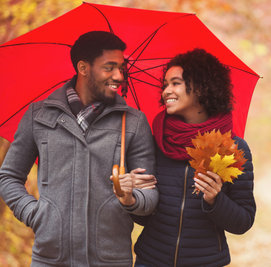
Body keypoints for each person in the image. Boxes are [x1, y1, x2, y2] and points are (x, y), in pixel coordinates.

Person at [0, 31, 158, 266]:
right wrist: (36, 215)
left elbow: (151, 193)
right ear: (83, 68)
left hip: (110, 260)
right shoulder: (38, 116)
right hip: (50, 259)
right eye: (109, 67)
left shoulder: (134, 122)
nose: (118, 75)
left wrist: (130, 198)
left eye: (121, 68)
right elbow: (9, 176)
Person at [133, 48, 256, 266]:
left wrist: (215, 200)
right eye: (165, 84)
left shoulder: (232, 148)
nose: (166, 91)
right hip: (151, 260)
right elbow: (143, 218)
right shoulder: (155, 142)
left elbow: (242, 222)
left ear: (201, 87)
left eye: (175, 83)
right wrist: (131, 198)